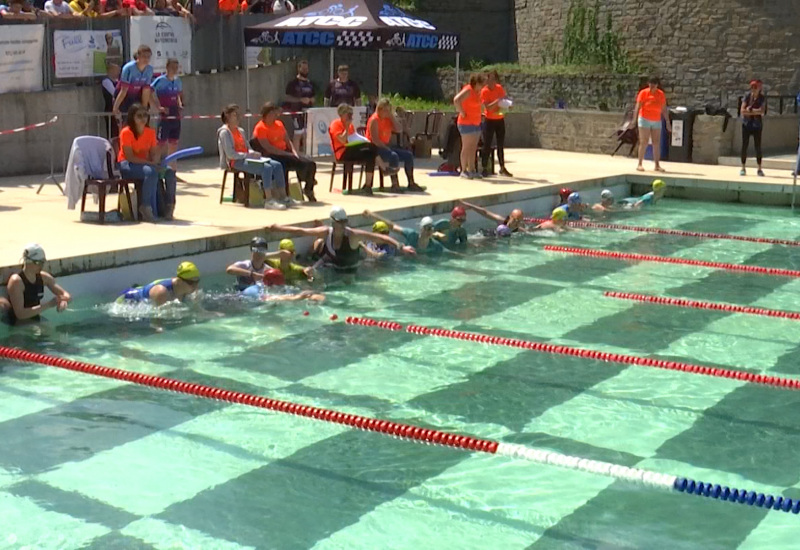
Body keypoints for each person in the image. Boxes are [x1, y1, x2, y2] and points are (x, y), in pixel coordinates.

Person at [270, 206, 415, 277]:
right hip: (333, 269)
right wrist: (278, 228)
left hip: (351, 273)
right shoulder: (327, 231)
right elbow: (302, 232)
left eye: (345, 221)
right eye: (340, 222)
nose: (343, 224)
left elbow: (380, 238)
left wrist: (401, 247)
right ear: (333, 222)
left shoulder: (352, 235)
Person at [217, 104, 288, 210]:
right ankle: (268, 200)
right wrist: (248, 155)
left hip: (246, 157)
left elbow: (247, 147)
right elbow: (231, 154)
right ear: (228, 116)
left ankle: (283, 196)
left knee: (277, 165)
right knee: (266, 168)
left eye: (239, 115)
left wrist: (253, 153)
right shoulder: (224, 133)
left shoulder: (240, 131)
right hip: (234, 161)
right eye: (235, 115)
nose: (238, 118)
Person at [118, 104, 177, 222]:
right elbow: (129, 157)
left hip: (145, 164)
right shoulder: (126, 132)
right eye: (139, 116)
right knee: (150, 173)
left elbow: (154, 152)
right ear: (132, 117)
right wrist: (150, 164)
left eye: (145, 115)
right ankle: (145, 207)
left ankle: (169, 206)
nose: (143, 118)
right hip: (127, 164)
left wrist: (156, 161)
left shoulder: (150, 132)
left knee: (170, 172)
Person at [251, 101, 318, 202]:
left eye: (275, 114)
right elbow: (268, 148)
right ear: (266, 115)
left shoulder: (279, 124)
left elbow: (287, 140)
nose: (275, 116)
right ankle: (285, 195)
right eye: (272, 114)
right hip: (271, 155)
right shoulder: (261, 127)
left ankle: (308, 188)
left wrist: (294, 151)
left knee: (310, 163)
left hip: (285, 153)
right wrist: (287, 154)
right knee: (282, 165)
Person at [0, 244, 71, 326]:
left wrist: (64, 301)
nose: (41, 265)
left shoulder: (44, 277)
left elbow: (65, 294)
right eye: (38, 262)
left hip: (35, 319)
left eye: (43, 262)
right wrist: (49, 304)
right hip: (18, 324)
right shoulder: (17, 281)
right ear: (28, 261)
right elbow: (20, 314)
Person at [366, 98, 424, 193]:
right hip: (375, 148)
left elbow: (399, 129)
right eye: (385, 110)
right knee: (393, 156)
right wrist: (386, 148)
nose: (386, 113)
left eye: (388, 110)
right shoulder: (374, 120)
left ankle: (411, 182)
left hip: (385, 146)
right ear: (379, 109)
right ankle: (395, 184)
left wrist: (392, 117)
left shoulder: (388, 119)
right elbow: (375, 140)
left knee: (408, 155)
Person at [329, 104, 383, 195]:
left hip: (352, 149)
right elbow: (342, 140)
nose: (350, 116)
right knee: (371, 147)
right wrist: (346, 127)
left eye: (351, 114)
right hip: (342, 151)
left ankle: (368, 185)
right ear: (342, 115)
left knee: (370, 154)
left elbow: (354, 137)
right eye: (348, 114)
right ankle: (382, 165)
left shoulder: (351, 126)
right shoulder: (336, 124)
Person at [116, 261, 200, 306]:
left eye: (197, 281)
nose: (195, 286)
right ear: (179, 280)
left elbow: (199, 312)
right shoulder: (162, 292)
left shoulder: (189, 289)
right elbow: (156, 320)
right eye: (191, 282)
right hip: (127, 298)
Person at [364, 211, 447, 256]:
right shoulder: (411, 235)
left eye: (432, 228)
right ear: (421, 229)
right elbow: (392, 226)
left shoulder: (435, 246)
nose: (430, 230)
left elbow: (447, 253)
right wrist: (372, 215)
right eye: (427, 228)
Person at [151, 58, 184, 168]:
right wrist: (158, 107)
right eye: (172, 67)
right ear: (167, 67)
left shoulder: (178, 80)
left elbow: (179, 94)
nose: (175, 70)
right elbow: (149, 92)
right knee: (160, 143)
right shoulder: (160, 80)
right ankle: (155, 167)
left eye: (176, 67)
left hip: (175, 114)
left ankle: (172, 169)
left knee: (174, 143)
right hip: (165, 115)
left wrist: (180, 104)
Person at [635, 76, 671, 173]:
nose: (652, 87)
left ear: (657, 85)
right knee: (644, 141)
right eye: (650, 84)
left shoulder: (661, 94)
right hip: (644, 119)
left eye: (654, 85)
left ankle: (657, 165)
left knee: (656, 142)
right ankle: (640, 164)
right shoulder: (643, 93)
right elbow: (638, 107)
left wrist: (667, 122)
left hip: (656, 120)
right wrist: (634, 120)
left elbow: (664, 109)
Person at [480, 70, 513, 177]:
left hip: (499, 119)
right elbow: (488, 107)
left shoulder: (499, 88)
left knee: (500, 144)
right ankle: (484, 167)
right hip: (489, 120)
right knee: (487, 144)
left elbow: (503, 101)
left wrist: (507, 105)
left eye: (494, 79)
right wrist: (497, 101)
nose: (492, 81)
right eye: (490, 79)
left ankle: (502, 167)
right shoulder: (484, 91)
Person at [453, 73, 486, 179]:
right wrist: (462, 112)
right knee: (466, 147)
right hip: (466, 123)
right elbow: (456, 100)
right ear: (476, 83)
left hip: (476, 122)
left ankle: (472, 169)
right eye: (481, 84)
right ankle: (463, 170)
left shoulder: (478, 92)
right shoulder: (468, 90)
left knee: (473, 147)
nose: (483, 86)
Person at [113, 45, 158, 117]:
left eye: (148, 57)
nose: (146, 59)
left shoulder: (149, 69)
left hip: (137, 95)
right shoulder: (128, 68)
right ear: (138, 56)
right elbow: (123, 90)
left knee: (142, 118)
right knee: (128, 120)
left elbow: (146, 90)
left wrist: (144, 108)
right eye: (144, 56)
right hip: (125, 96)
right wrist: (115, 107)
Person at [284, 60, 315, 153]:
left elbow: (313, 96)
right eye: (303, 68)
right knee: (298, 133)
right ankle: (296, 155)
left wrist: (312, 100)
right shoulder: (293, 83)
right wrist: (300, 100)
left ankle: (305, 154)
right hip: (296, 112)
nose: (305, 70)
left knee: (306, 134)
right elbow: (287, 98)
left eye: (307, 69)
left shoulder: (310, 83)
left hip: (308, 112)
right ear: (299, 69)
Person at [242, 269, 324, 303]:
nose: (281, 287)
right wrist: (297, 298)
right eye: (279, 285)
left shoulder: (267, 287)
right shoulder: (255, 291)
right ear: (271, 285)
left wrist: (312, 295)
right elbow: (268, 299)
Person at [740, 79, 766, 177]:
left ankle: (759, 168)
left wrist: (751, 111)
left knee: (758, 146)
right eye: (753, 88)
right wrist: (754, 111)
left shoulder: (762, 98)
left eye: (756, 88)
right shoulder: (747, 97)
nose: (754, 90)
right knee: (744, 146)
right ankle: (743, 167)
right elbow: (742, 110)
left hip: (757, 125)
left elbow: (762, 111)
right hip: (747, 124)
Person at [457, 200, 526, 233]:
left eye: (519, 221)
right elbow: (485, 212)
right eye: (516, 220)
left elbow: (529, 232)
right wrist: (469, 205)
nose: (517, 223)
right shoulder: (501, 221)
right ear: (510, 217)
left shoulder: (518, 230)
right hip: (489, 236)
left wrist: (536, 228)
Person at [101, 63, 120, 140]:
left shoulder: (118, 81)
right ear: (110, 71)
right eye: (116, 70)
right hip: (110, 109)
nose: (118, 72)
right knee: (113, 134)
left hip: (119, 110)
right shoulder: (106, 81)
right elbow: (114, 92)